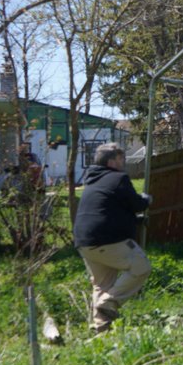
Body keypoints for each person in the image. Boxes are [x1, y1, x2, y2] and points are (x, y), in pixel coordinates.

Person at [71, 143, 152, 333]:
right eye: (120, 158)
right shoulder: (118, 178)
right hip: (106, 239)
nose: (123, 162)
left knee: (102, 284)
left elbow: (109, 210)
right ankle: (110, 301)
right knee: (141, 266)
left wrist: (135, 220)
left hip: (84, 242)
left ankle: (102, 327)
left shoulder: (92, 182)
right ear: (111, 161)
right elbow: (136, 203)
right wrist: (147, 200)